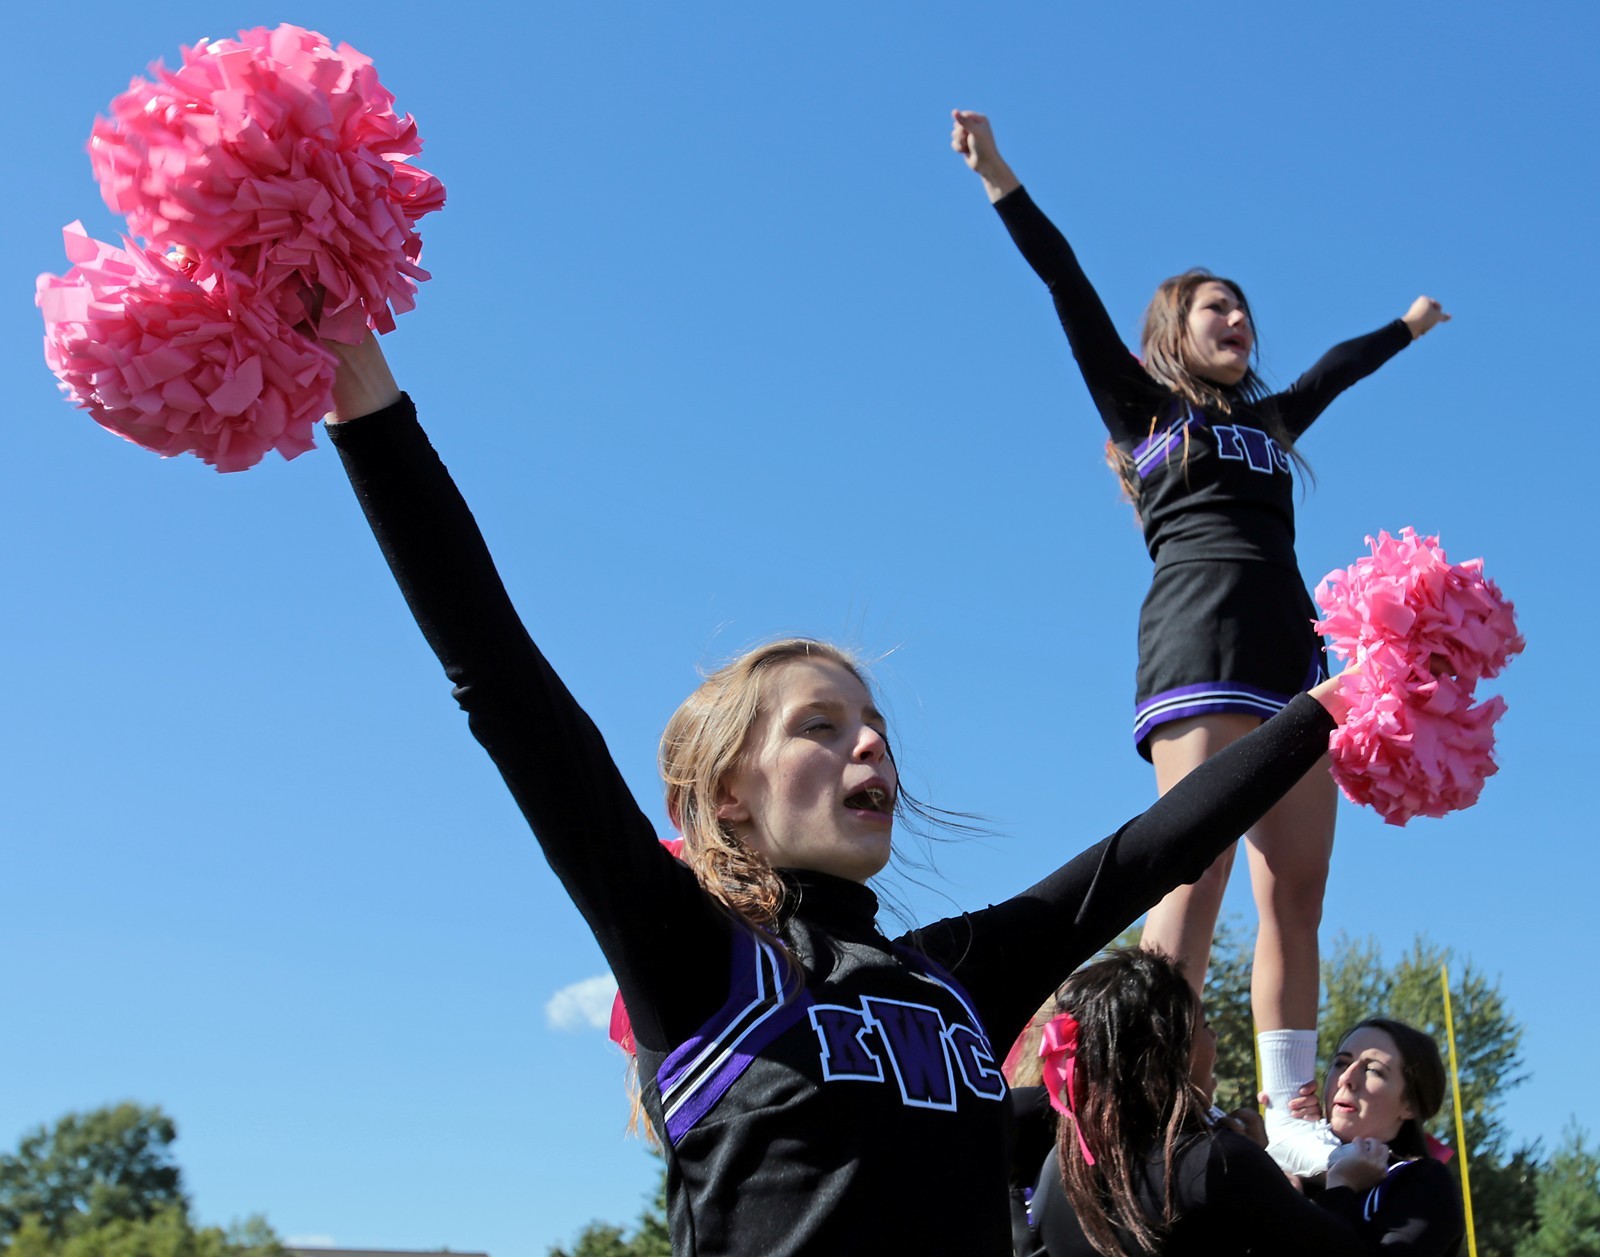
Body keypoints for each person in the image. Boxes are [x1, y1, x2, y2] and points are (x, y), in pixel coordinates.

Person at [319, 328, 1357, 1255]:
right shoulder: (700, 965)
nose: (869, 746)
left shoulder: (954, 980)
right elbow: (501, 679)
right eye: (820, 726)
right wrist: (364, 395)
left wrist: (1341, 701)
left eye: (876, 728)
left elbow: (1152, 848)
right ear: (729, 794)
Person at [950, 109, 1451, 1175]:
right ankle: (1141, 1095)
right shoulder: (1141, 410)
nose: (1239, 320)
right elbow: (1066, 285)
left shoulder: (1269, 423)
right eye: (1217, 306)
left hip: (1293, 649)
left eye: (1244, 309)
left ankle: (1289, 1116)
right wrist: (999, 175)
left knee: (1297, 888)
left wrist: (1406, 328)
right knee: (1194, 867)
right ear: (1174, 328)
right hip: (1199, 638)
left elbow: (1334, 370)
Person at [1020, 948, 1393, 1257]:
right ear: (1170, 1051)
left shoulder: (1060, 1170)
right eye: (1204, 1025)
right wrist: (1342, 1187)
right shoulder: (1215, 1162)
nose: (1214, 1037)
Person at [1278, 1020, 1466, 1255]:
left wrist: (1341, 1188)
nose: (1346, 1078)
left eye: (1373, 1070)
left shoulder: (1425, 1183)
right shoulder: (1291, 1176)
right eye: (1341, 1063)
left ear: (1410, 1105)